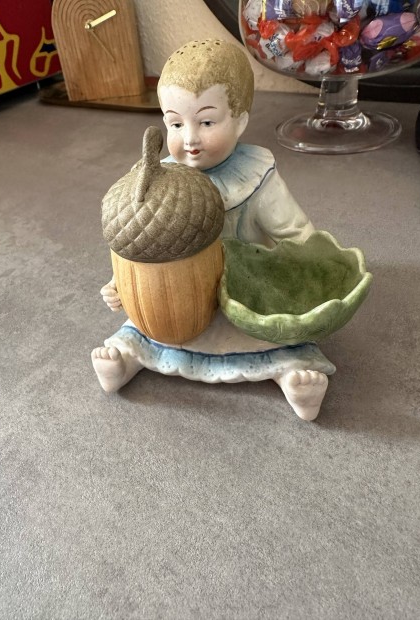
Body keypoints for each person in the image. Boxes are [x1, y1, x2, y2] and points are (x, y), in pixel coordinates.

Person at [92, 39, 335, 421]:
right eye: (175, 123)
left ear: (239, 120)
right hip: (179, 299)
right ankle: (126, 361)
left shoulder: (254, 176)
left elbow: (294, 230)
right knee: (144, 325)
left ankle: (290, 377)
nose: (189, 139)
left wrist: (312, 268)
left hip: (246, 291)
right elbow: (141, 242)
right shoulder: (162, 179)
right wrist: (119, 284)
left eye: (206, 122)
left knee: (277, 334)